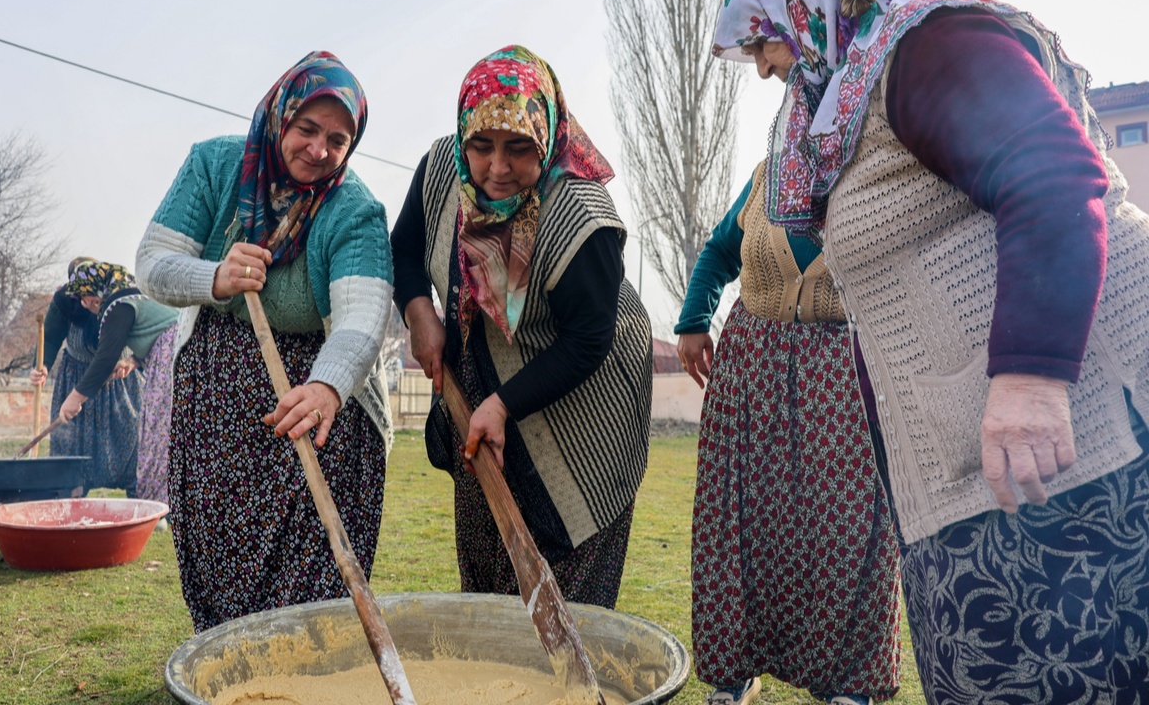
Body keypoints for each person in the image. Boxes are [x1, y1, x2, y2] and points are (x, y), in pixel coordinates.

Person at [712, 0, 1149, 702]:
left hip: (1080, 452)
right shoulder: (858, 89)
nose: (760, 66)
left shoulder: (922, 43)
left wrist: (1030, 376)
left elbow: (1051, 173)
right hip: (986, 468)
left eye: (758, 36)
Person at [135, 51, 393, 633]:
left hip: (314, 404)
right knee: (214, 544)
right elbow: (152, 265)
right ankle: (230, 671)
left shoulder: (354, 209)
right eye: (306, 129)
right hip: (215, 411)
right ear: (281, 118)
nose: (319, 150)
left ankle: (310, 680)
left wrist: (328, 386)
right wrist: (216, 276)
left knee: (312, 569)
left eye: (338, 138)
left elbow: (363, 316)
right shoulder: (215, 166)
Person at [391, 45, 653, 609]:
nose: (496, 168)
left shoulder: (582, 217)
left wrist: (505, 404)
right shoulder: (443, 170)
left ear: (549, 137)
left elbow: (589, 339)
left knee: (567, 593)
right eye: (481, 146)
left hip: (586, 401)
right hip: (481, 391)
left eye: (519, 149)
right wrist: (420, 315)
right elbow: (406, 247)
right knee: (489, 576)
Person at [676, 159, 901, 704]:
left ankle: (848, 685)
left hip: (845, 374)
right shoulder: (768, 176)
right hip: (751, 369)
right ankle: (736, 675)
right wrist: (691, 320)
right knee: (741, 522)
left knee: (849, 529)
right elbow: (719, 251)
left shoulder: (882, 175)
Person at [54, 261, 179, 503]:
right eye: (80, 297)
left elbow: (105, 358)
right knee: (161, 430)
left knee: (156, 430)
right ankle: (160, 504)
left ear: (98, 287)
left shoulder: (119, 303)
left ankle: (155, 505)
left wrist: (74, 398)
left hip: (172, 356)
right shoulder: (128, 295)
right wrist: (132, 361)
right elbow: (153, 329)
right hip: (168, 353)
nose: (85, 302)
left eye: (86, 294)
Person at [32, 256, 142, 495]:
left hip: (118, 380)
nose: (83, 302)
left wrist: (133, 361)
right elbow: (49, 338)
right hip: (76, 379)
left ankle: (140, 496)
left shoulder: (123, 297)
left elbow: (146, 336)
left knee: (131, 434)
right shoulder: (64, 301)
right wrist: (41, 366)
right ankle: (70, 493)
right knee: (71, 441)